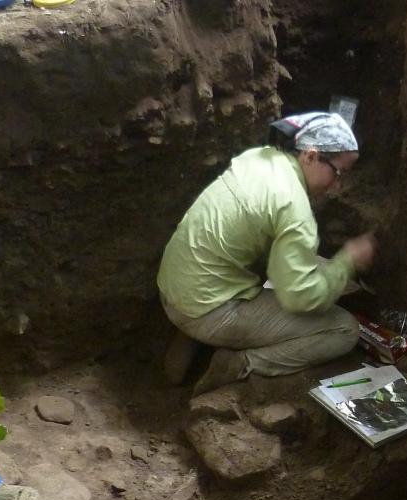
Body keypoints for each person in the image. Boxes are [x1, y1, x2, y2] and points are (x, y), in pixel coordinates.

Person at [157, 111, 376, 394]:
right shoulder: (293, 208)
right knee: (344, 330)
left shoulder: (259, 158)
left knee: (254, 259)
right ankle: (240, 362)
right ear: (310, 156)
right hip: (206, 309)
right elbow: (301, 298)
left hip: (172, 287)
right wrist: (347, 262)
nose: (337, 187)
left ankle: (187, 343)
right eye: (338, 173)